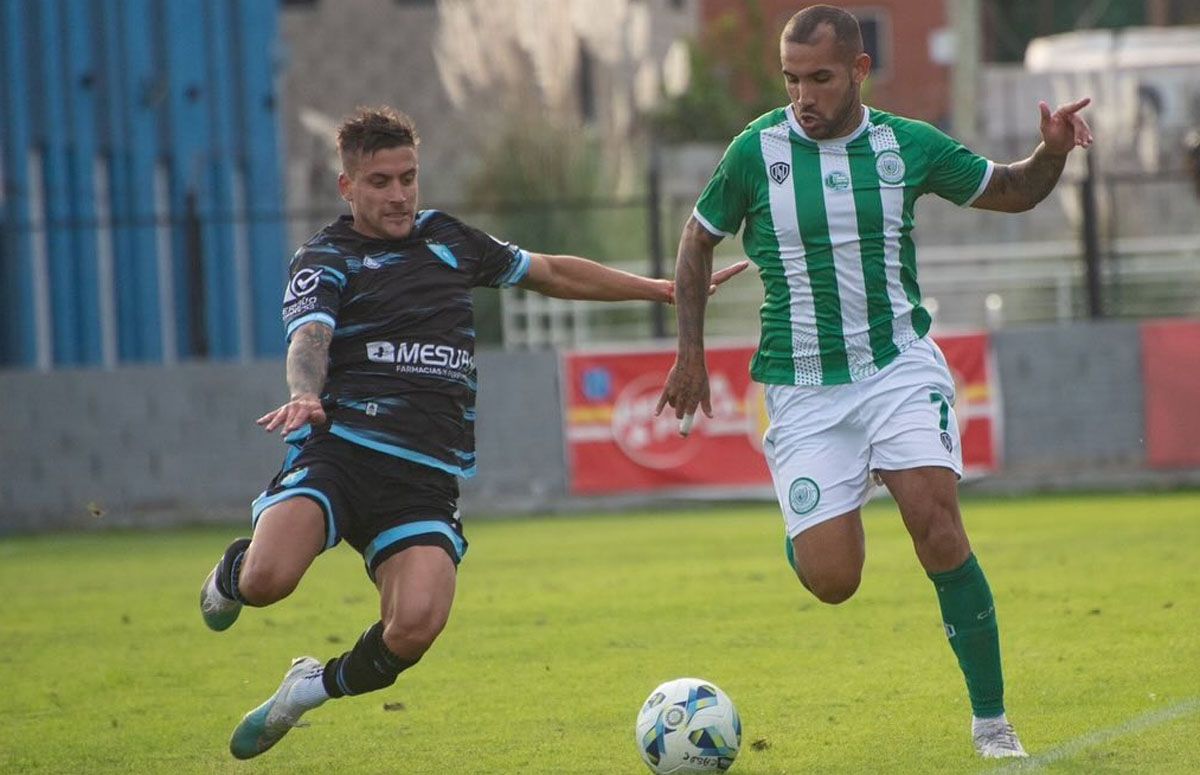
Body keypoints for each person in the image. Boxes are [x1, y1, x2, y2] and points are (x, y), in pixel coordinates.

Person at [199, 105, 746, 760]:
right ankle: (230, 575)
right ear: (348, 187)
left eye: (408, 177)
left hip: (425, 476)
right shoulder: (325, 257)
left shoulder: (448, 239)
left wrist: (662, 289)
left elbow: (552, 271)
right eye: (380, 181)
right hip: (341, 451)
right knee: (268, 582)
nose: (399, 193)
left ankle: (306, 689)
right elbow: (309, 338)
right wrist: (304, 394)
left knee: (415, 626)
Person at [656, 5, 1092, 760]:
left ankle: (992, 723)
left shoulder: (906, 145)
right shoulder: (756, 152)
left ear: (859, 70)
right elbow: (696, 241)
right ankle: (811, 519)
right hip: (803, 387)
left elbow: (1014, 189)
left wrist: (1051, 150)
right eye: (792, 80)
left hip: (897, 367)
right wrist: (689, 354)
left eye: (820, 79)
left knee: (938, 524)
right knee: (833, 579)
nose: (804, 96)